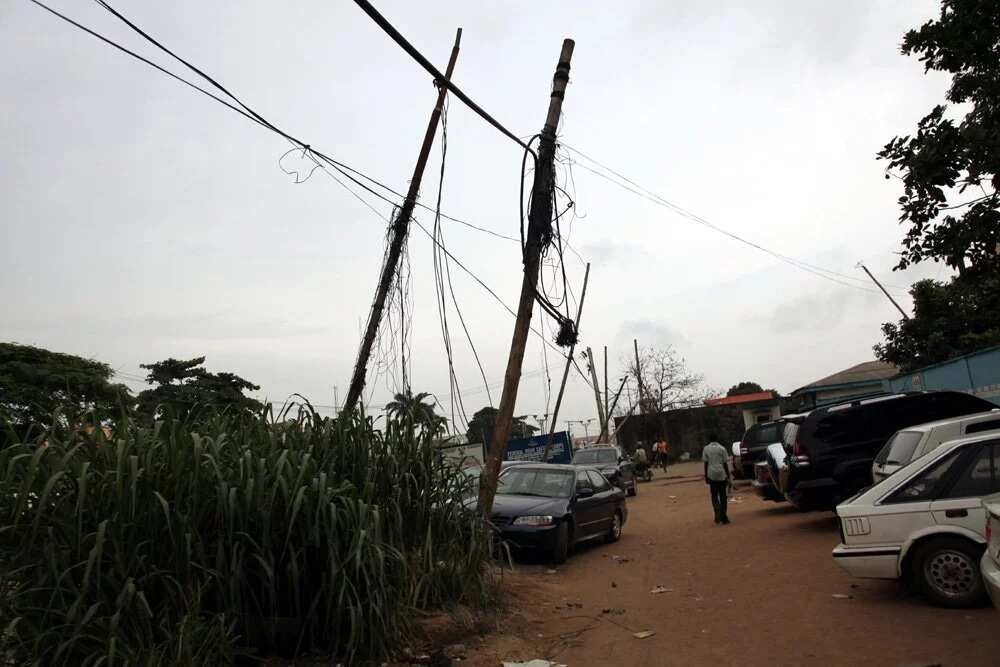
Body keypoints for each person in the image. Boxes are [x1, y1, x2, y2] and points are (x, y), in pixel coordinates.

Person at [701, 434, 731, 525]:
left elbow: (705, 463)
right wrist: (728, 475)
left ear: (709, 440)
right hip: (721, 474)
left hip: (711, 474)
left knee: (714, 495)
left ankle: (717, 515)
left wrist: (706, 476)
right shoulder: (722, 448)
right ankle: (724, 517)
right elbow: (725, 463)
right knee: (723, 496)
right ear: (717, 439)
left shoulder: (706, 449)